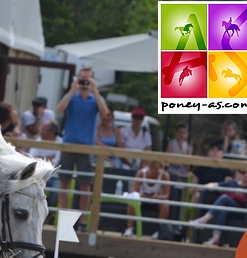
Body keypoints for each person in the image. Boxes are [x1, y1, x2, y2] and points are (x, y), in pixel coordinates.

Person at [55, 66, 110, 231]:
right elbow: (59, 110)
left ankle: (83, 221)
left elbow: (105, 113)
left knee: (85, 186)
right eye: (82, 78)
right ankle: (65, 220)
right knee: (64, 183)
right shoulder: (71, 96)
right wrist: (72, 90)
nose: (84, 82)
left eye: (88, 79)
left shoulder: (95, 99)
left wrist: (96, 92)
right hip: (69, 143)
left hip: (86, 147)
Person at [191, 169, 247, 246]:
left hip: (242, 212)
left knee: (224, 198)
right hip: (228, 209)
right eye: (243, 172)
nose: (245, 174)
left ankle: (203, 220)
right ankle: (215, 239)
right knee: (223, 209)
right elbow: (216, 184)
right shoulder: (233, 183)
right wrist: (204, 187)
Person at [123, 160, 171, 238]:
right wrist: (140, 195)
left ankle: (159, 231)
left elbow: (166, 195)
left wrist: (157, 197)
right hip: (142, 200)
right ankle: (129, 229)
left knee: (166, 205)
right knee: (132, 202)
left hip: (156, 201)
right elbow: (134, 191)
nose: (154, 170)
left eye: (156, 169)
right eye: (152, 168)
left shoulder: (164, 176)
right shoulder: (141, 173)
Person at [29, 119, 62, 208]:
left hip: (54, 176)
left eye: (43, 130)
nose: (40, 132)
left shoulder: (61, 143)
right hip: (38, 175)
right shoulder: (38, 141)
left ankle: (49, 212)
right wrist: (50, 157)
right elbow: (31, 159)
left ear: (52, 132)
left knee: (56, 191)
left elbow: (55, 163)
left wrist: (40, 159)